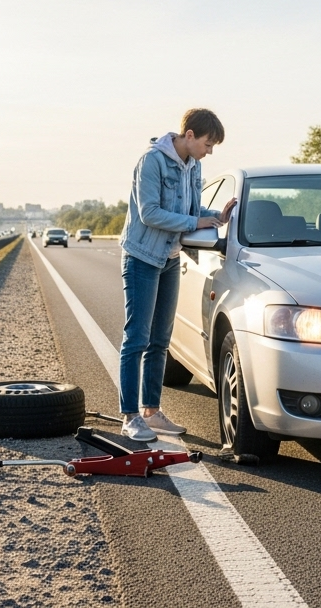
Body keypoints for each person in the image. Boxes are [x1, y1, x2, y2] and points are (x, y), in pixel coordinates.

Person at [117, 108, 236, 441]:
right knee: (137, 338)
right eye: (208, 144)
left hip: (170, 257)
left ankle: (151, 413)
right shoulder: (151, 162)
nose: (209, 152)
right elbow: (150, 212)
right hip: (142, 256)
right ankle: (130, 417)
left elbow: (192, 210)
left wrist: (218, 215)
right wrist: (195, 223)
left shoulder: (193, 165)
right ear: (189, 136)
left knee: (160, 340)